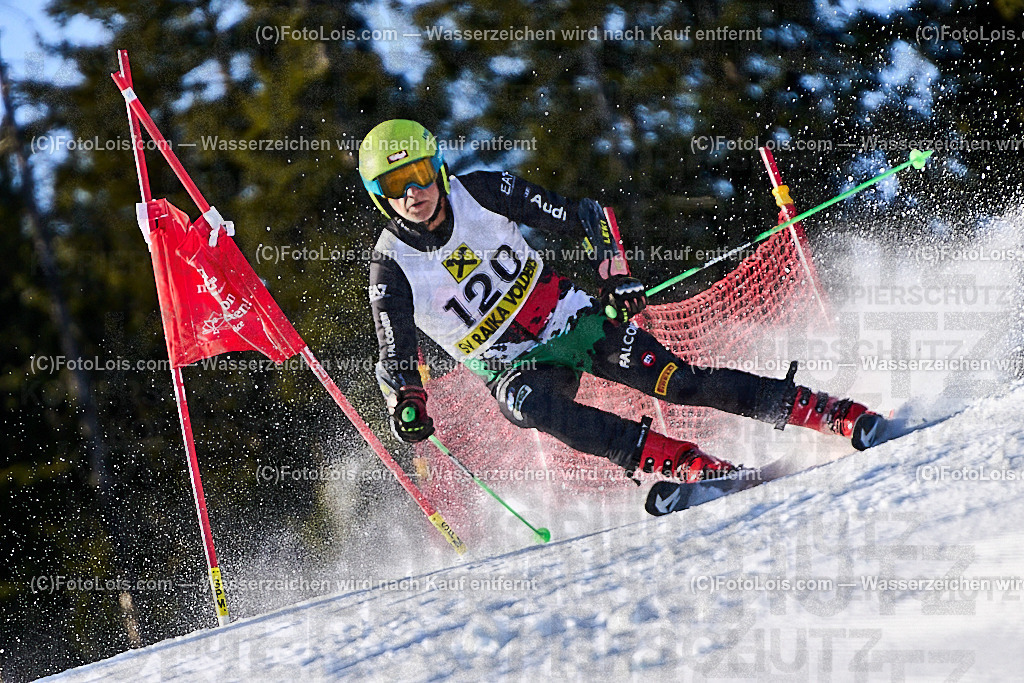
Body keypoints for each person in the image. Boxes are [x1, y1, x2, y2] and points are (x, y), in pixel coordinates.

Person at [359, 119, 883, 484]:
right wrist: (407, 401)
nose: (413, 193)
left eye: (420, 174)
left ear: (439, 168)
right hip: (513, 365)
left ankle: (824, 411)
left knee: (680, 383)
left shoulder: (483, 190)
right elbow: (397, 354)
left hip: (570, 319)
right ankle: (684, 463)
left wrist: (615, 275)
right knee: (532, 408)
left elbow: (583, 215)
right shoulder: (390, 267)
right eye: (396, 184)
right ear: (379, 193)